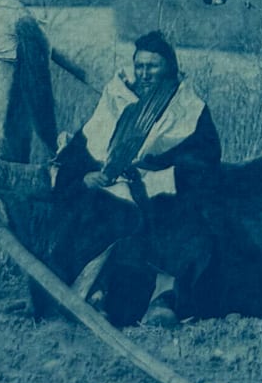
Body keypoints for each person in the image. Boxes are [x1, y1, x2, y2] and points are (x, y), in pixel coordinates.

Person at [48, 31, 221, 328]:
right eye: (139, 66)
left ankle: (164, 299)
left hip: (165, 189)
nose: (144, 73)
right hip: (109, 188)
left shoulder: (188, 108)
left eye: (152, 66)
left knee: (181, 223)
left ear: (169, 67)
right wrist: (86, 176)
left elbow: (206, 157)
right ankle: (94, 293)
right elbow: (80, 149)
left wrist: (161, 173)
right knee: (88, 211)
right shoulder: (116, 99)